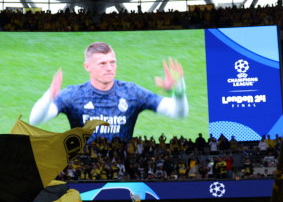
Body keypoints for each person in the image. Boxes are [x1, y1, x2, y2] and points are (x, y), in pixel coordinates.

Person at [29, 42, 188, 141]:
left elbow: (178, 113)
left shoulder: (131, 92)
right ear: (87, 67)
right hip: (83, 173)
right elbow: (34, 120)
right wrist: (49, 96)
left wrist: (179, 91)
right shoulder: (74, 95)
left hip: (122, 174)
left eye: (113, 62)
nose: (110, 68)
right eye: (102, 63)